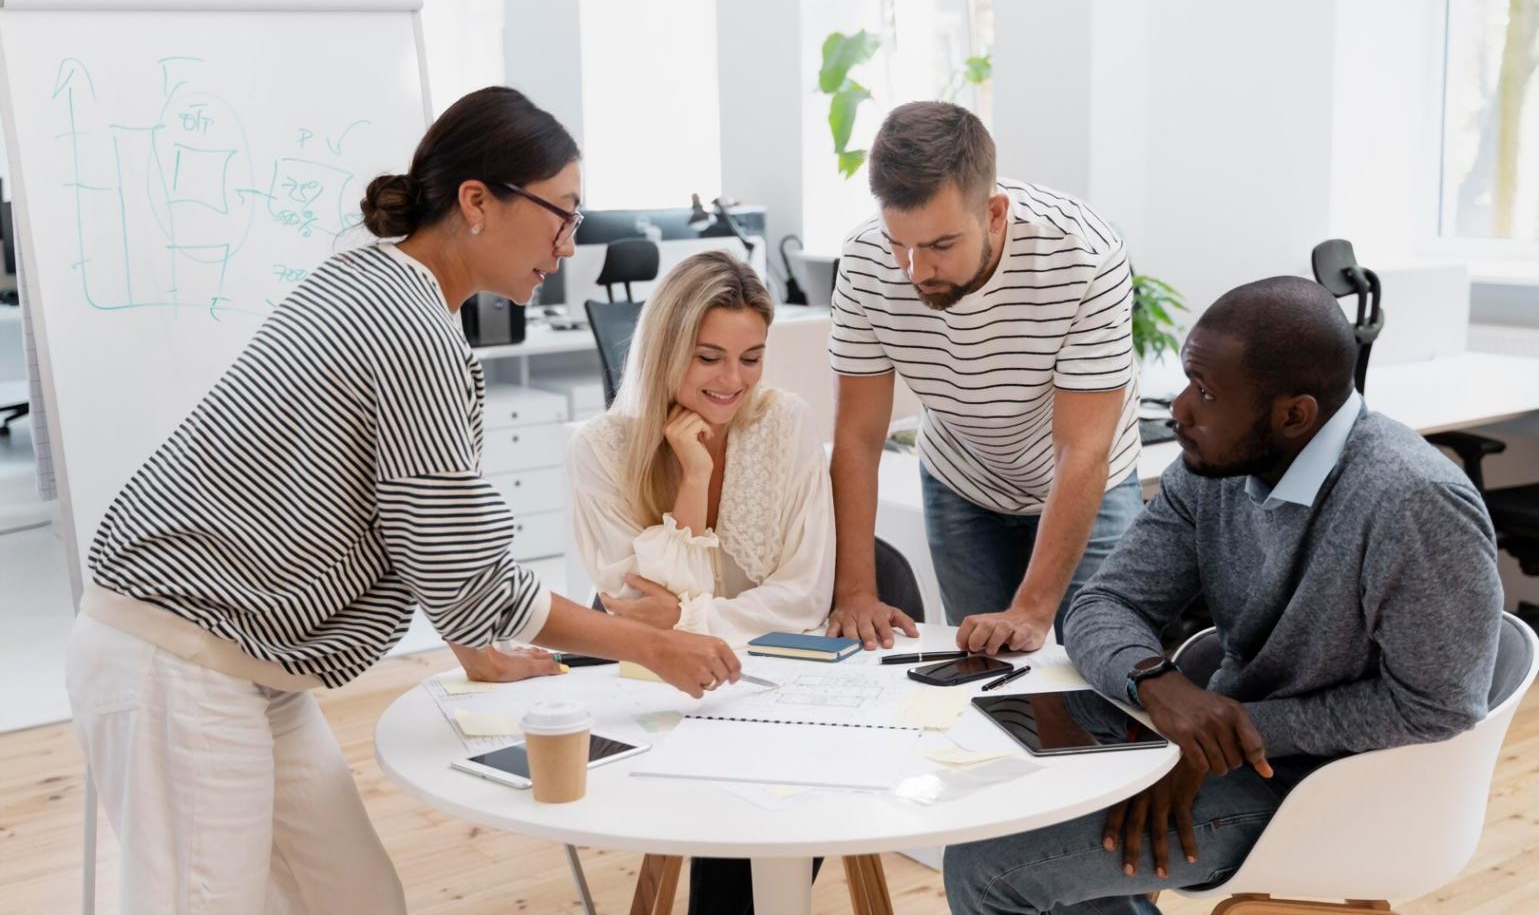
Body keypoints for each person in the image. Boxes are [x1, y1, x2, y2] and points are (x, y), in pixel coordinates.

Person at [64, 86, 740, 915]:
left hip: (245, 661)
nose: (570, 244)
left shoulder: (376, 283)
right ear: (477, 201)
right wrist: (644, 644)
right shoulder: (411, 324)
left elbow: (418, 525)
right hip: (180, 654)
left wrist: (474, 647)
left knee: (354, 898)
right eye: (561, 214)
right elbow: (467, 570)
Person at [942, 276, 1504, 914]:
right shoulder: (1210, 470)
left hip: (1335, 786)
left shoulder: (1412, 501)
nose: (1178, 410)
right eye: (1187, 380)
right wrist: (1159, 685)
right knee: (994, 815)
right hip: (1227, 753)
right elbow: (1103, 605)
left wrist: (1225, 738)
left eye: (1206, 393)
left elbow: (1439, 707)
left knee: (987, 868)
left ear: (1294, 415)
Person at [567, 249, 834, 913]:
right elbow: (632, 612)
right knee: (732, 846)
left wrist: (686, 623)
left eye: (751, 357)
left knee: (753, 846)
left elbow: (802, 596)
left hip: (783, 680)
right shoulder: (598, 448)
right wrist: (692, 480)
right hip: (665, 688)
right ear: (665, 348)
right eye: (708, 356)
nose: (732, 380)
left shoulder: (786, 421)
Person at [825, 100, 1143, 655]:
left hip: (1087, 480)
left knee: (1100, 667)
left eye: (941, 246)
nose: (916, 271)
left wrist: (1031, 610)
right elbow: (856, 436)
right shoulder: (864, 261)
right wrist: (855, 592)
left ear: (994, 213)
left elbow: (1082, 448)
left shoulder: (1084, 255)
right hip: (963, 478)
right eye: (900, 244)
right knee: (979, 671)